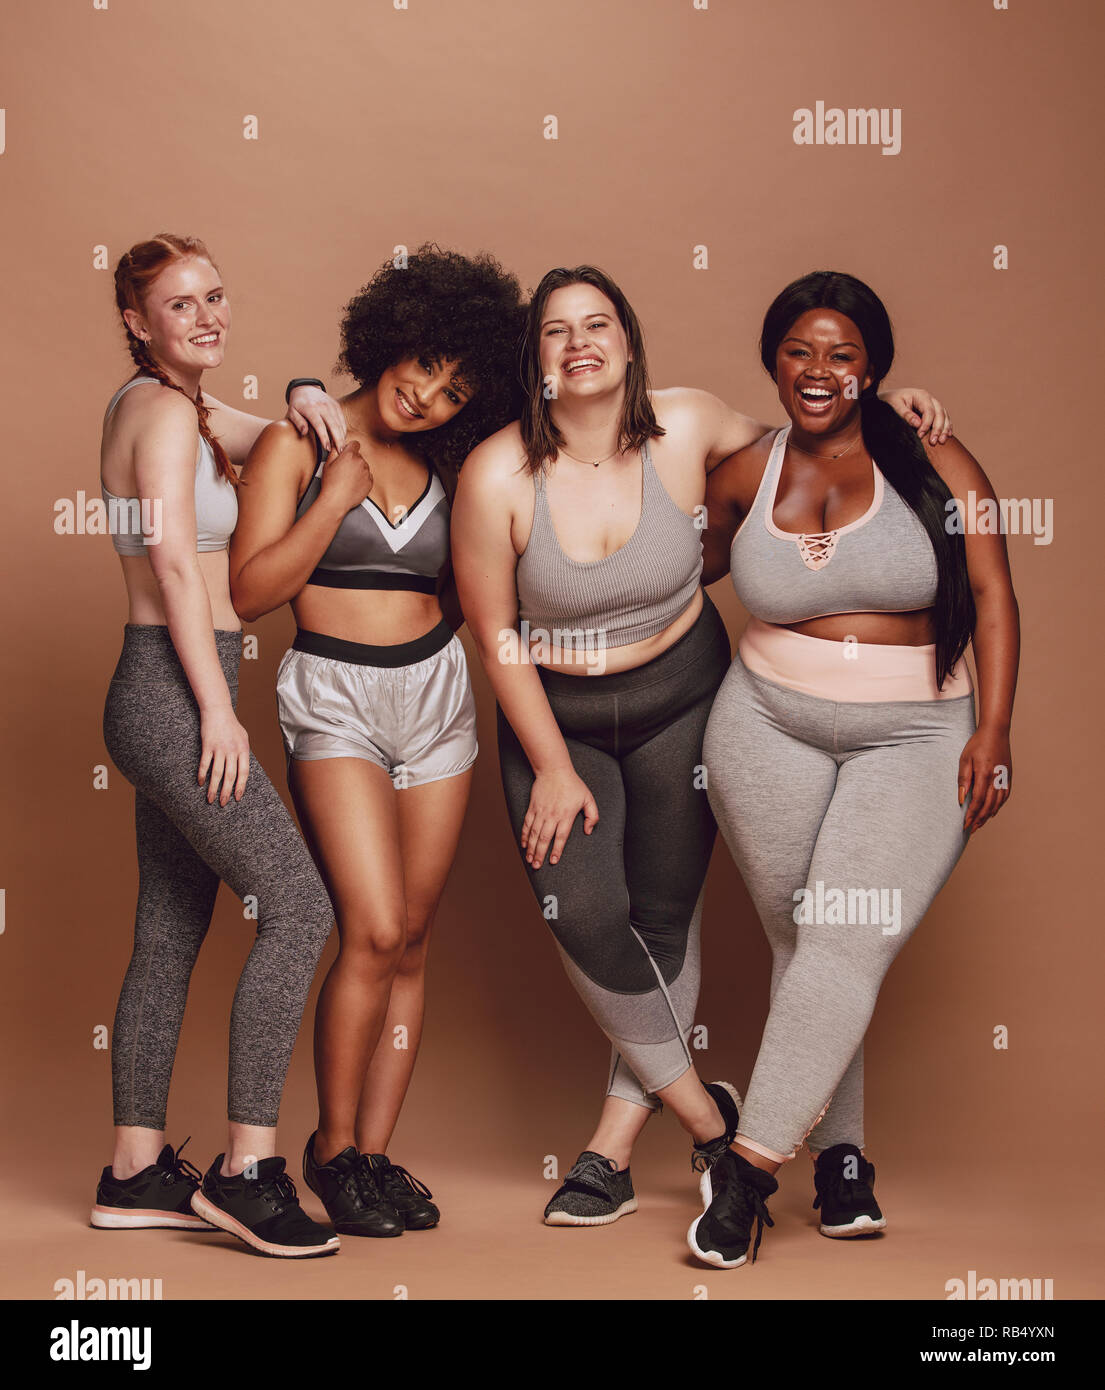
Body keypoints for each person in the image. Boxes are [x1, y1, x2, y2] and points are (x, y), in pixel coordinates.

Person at [450, 263, 949, 1226]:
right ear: (535, 357)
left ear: (629, 342)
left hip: (683, 696)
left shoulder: (688, 423)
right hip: (556, 717)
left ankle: (608, 1149)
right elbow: (495, 634)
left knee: (663, 920)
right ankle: (709, 1122)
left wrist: (887, 406)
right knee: (587, 914)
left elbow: (815, 433)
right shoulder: (495, 472)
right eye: (557, 331)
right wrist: (550, 763)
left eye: (599, 323)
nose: (580, 342)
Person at [689, 270, 1019, 1268]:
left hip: (915, 732)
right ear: (772, 362)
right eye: (797, 350)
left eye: (840, 353)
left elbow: (994, 597)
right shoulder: (748, 467)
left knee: (843, 932)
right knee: (812, 942)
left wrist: (992, 732)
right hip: (762, 726)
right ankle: (841, 1163)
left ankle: (744, 1173)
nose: (818, 371)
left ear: (872, 364)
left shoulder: (931, 454)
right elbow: (667, 565)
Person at [230, 246, 527, 1236]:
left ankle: (369, 1155)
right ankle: (329, 1143)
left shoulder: (453, 460)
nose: (430, 395)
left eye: (454, 389)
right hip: (335, 698)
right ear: (391, 335)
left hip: (436, 695)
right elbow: (249, 592)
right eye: (424, 364)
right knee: (371, 926)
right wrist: (332, 498)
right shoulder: (296, 444)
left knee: (413, 937)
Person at [94, 233, 348, 1259]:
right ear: (135, 320)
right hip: (173, 689)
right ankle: (249, 1168)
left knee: (168, 929)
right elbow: (169, 552)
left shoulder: (180, 408)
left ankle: (134, 1168)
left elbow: (276, 428)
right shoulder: (157, 413)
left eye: (215, 297)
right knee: (298, 907)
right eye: (178, 303)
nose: (204, 316)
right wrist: (217, 709)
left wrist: (302, 383)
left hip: (159, 685)